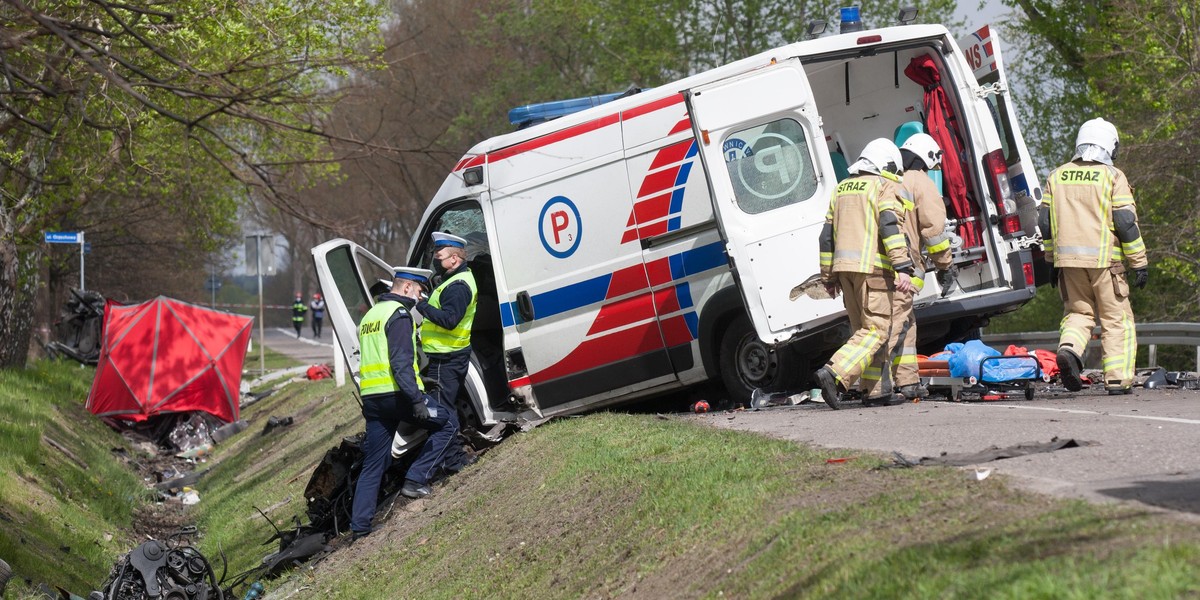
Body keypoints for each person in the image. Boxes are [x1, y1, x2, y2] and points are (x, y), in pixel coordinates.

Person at [1039, 118, 1148, 395]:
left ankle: (1070, 351)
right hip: (1105, 265)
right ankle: (1117, 380)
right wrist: (1139, 263)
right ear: (1109, 145)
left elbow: (1044, 222)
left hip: (1068, 264)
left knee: (1077, 314)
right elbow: (1124, 222)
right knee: (1116, 320)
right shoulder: (1113, 176)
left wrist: (1051, 261)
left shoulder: (1056, 175)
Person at [350, 267, 461, 541]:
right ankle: (415, 480)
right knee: (447, 423)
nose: (420, 296)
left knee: (374, 462)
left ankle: (359, 527)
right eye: (420, 290)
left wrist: (421, 380)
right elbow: (399, 363)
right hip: (398, 396)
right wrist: (416, 399)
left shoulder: (369, 317)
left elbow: (381, 359)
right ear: (408, 287)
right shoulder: (399, 315)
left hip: (373, 400)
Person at [813, 139, 917, 409]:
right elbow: (889, 227)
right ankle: (835, 373)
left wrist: (828, 277)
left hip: (845, 271)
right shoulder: (881, 186)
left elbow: (826, 237)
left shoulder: (841, 188)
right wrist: (903, 267)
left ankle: (875, 392)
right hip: (873, 271)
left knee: (863, 332)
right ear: (885, 164)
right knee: (877, 330)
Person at [890, 133, 956, 401]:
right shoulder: (920, 182)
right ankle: (855, 379)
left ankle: (907, 382)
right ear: (926, 158)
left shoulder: (886, 180)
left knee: (905, 321)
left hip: (878, 266)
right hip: (903, 267)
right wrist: (945, 266)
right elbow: (933, 232)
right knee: (893, 325)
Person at [416, 232, 478, 471]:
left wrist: (421, 305)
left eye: (439, 255)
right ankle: (454, 458)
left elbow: (450, 320)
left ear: (454, 258)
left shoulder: (457, 286)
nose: (435, 259)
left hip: (446, 358)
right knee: (446, 407)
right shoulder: (453, 280)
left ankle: (454, 461)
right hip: (449, 355)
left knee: (442, 411)